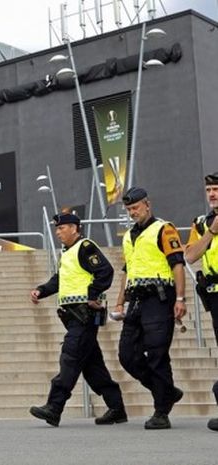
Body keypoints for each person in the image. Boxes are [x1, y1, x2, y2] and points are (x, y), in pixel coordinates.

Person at [29, 212, 126, 427]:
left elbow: (105, 271)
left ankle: (54, 407)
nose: (57, 232)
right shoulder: (69, 253)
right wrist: (41, 290)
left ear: (74, 228)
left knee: (70, 357)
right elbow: (60, 280)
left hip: (85, 315)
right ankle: (116, 408)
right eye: (56, 229)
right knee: (93, 367)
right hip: (73, 316)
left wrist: (93, 295)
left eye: (61, 228)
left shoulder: (85, 247)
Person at [115, 187, 186, 430]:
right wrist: (119, 300)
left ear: (147, 204)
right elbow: (127, 270)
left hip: (159, 297)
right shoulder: (128, 236)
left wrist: (180, 298)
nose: (132, 212)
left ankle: (161, 411)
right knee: (127, 355)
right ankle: (166, 391)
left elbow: (177, 264)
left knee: (157, 355)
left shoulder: (164, 229)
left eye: (135, 208)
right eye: (129, 209)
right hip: (135, 300)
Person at [184, 171, 218, 431]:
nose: (212, 194)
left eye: (216, 189)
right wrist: (211, 233)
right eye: (209, 190)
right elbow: (191, 256)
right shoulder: (199, 224)